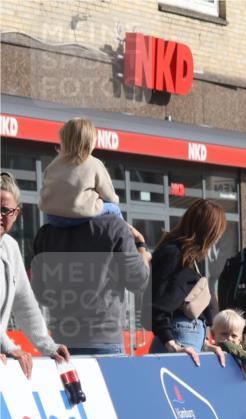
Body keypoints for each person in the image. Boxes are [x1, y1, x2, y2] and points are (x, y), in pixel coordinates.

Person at [31, 173, 150, 356]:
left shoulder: (45, 234)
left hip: (62, 344)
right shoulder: (114, 227)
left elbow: (41, 295)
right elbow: (138, 281)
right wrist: (141, 246)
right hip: (104, 341)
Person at [0, 173, 71, 378]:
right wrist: (7, 345)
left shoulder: (11, 247)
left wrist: (48, 346)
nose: (0, 215)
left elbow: (25, 304)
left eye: (5, 210)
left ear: (17, 213)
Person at [149, 199, 227, 366]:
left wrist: (204, 343)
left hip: (187, 340)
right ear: (209, 231)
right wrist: (171, 343)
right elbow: (159, 305)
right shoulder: (175, 254)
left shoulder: (185, 256)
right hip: (180, 339)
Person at [39, 117, 122, 225]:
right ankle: (128, 235)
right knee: (114, 208)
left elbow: (45, 189)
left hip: (54, 218)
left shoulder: (52, 165)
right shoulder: (94, 163)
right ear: (91, 141)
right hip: (81, 216)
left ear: (63, 139)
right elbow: (110, 196)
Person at [211, 309, 246, 381]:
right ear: (213, 334)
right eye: (224, 334)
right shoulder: (216, 346)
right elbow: (226, 345)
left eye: (234, 336)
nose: (229, 338)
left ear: (240, 338)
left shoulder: (243, 345)